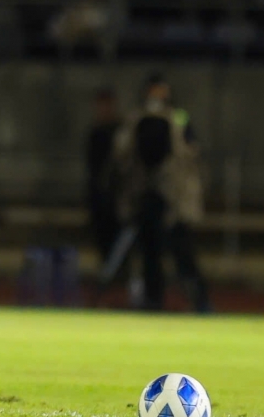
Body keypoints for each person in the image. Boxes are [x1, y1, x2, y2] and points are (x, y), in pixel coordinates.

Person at [114, 75, 210, 313]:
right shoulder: (136, 118)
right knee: (150, 253)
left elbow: (191, 154)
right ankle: (152, 300)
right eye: (153, 91)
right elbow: (122, 154)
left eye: (161, 91)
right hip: (146, 193)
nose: (157, 97)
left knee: (183, 252)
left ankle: (200, 301)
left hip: (174, 195)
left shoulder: (178, 118)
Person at [86, 86, 121, 266]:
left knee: (117, 239)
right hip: (99, 194)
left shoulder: (118, 131)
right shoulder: (95, 132)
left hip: (116, 195)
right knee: (102, 237)